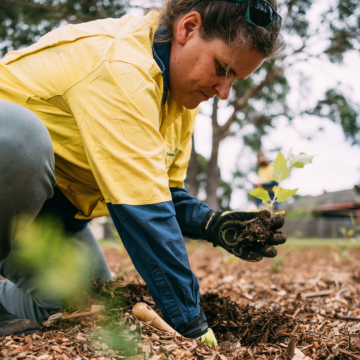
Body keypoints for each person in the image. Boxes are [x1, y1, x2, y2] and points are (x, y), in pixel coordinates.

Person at [0, 0, 287, 343]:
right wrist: (191, 325)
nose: (224, 92)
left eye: (235, 79)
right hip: (10, 170)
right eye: (222, 68)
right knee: (22, 139)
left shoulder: (180, 100)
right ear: (188, 28)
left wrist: (211, 223)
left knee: (85, 307)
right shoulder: (123, 67)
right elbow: (144, 213)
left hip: (47, 212)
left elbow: (162, 194)